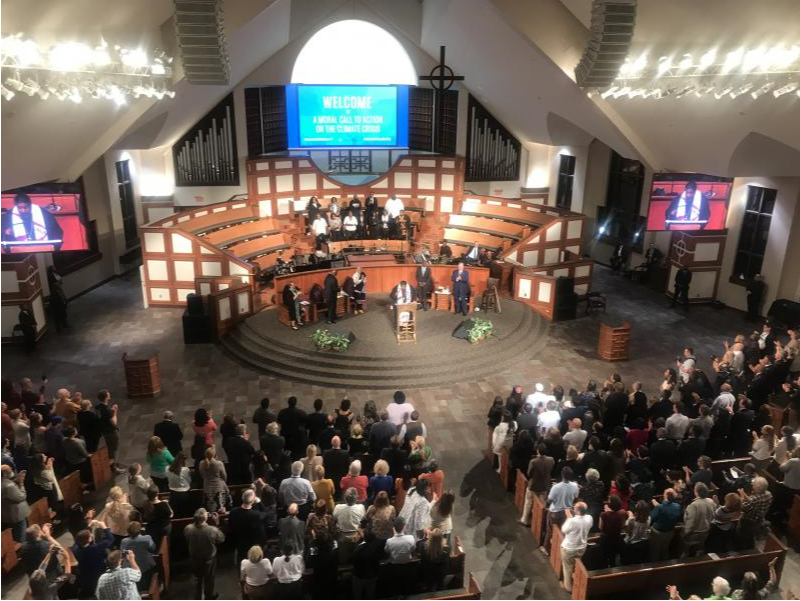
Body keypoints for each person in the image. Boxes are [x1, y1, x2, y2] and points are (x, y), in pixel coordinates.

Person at [184, 508, 225, 600]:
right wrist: (217, 523)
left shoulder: (188, 528)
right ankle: (209, 596)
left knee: (196, 578)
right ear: (205, 518)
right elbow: (221, 539)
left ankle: (197, 597)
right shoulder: (212, 530)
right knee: (209, 579)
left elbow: (187, 539)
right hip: (208, 559)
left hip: (194, 558)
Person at [73, 522, 115, 597]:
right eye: (90, 536)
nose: (92, 535)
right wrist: (104, 527)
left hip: (84, 574)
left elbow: (80, 537)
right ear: (88, 540)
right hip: (97, 573)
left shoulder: (75, 548)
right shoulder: (95, 548)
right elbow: (111, 539)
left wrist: (89, 526)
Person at [229, 488, 271, 564]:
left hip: (240, 543)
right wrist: (259, 502)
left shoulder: (233, 511)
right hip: (253, 544)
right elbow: (265, 513)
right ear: (252, 501)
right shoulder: (256, 515)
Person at [545, 467, 579, 555]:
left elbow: (549, 500)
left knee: (550, 531)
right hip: (567, 513)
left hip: (555, 512)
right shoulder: (575, 485)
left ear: (562, 475)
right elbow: (576, 497)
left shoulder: (556, 487)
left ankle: (547, 550)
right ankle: (559, 552)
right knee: (563, 533)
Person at [560, 501, 593, 593]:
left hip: (569, 548)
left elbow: (564, 530)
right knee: (576, 564)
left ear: (577, 511)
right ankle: (575, 579)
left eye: (575, 508)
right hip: (581, 547)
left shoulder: (572, 521)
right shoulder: (589, 518)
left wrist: (568, 517)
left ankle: (568, 587)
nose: (573, 509)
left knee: (567, 567)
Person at [521, 444, 555, 526]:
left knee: (528, 502)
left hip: (534, 485)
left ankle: (524, 520)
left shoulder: (533, 461)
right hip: (545, 485)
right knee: (542, 504)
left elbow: (529, 473)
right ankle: (540, 522)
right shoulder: (551, 460)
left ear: (538, 451)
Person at [120, 522, 156, 591]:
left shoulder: (124, 541)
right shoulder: (146, 538)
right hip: (146, 567)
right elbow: (153, 548)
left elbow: (123, 554)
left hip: (132, 570)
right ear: (140, 530)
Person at [682, 482, 716, 556]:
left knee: (689, 553)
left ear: (696, 492)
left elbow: (691, 521)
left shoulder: (694, 505)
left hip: (694, 533)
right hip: (706, 531)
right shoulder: (711, 501)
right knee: (700, 551)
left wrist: (686, 533)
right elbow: (714, 515)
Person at [649, 488, 682, 561]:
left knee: (655, 552)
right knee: (665, 549)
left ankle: (655, 568)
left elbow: (652, 518)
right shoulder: (677, 506)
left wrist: (657, 507)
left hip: (658, 533)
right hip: (670, 532)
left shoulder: (660, 507)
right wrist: (658, 506)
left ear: (666, 495)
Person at [96, 390, 123, 473]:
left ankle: (112, 463)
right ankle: (113, 467)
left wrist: (110, 412)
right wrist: (115, 412)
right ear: (106, 397)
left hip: (104, 431)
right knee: (113, 449)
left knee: (110, 447)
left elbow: (102, 417)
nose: (109, 395)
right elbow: (114, 422)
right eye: (108, 395)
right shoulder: (107, 410)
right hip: (111, 431)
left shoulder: (97, 407)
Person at [1, 464, 30, 541]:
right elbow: (21, 497)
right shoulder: (9, 485)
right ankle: (23, 550)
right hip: (17, 515)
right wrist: (21, 484)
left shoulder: (4, 483)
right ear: (4, 474)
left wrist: (16, 481)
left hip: (7, 514)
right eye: (9, 470)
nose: (11, 470)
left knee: (15, 535)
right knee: (21, 536)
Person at [199, 446, 230, 513]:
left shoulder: (201, 463)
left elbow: (202, 475)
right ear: (214, 454)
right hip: (218, 488)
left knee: (208, 510)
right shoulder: (219, 463)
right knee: (219, 509)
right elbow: (224, 476)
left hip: (206, 488)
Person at [46, 266, 69, 332]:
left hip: (61, 305)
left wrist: (65, 302)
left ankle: (64, 324)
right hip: (57, 307)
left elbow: (63, 297)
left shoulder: (60, 291)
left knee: (63, 314)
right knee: (57, 317)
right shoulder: (53, 294)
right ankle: (58, 328)